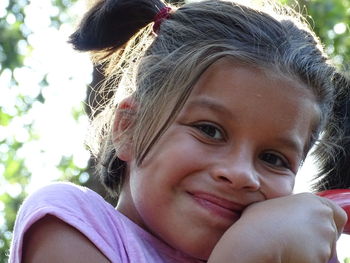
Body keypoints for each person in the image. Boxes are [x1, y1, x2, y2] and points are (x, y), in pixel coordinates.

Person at [9, 0, 348, 262]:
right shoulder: (69, 220)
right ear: (127, 128)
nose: (240, 173)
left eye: (273, 158)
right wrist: (247, 253)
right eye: (209, 130)